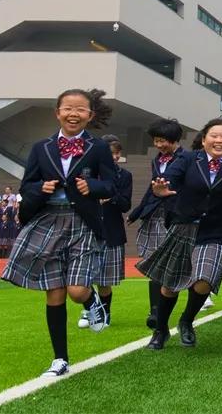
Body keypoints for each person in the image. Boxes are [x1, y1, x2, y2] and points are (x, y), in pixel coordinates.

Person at [1, 88, 116, 377]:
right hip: (48, 221)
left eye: (80, 109)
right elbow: (26, 186)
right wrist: (40, 188)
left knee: (76, 291)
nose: (73, 114)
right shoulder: (41, 147)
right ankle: (60, 359)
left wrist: (95, 188)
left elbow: (112, 184)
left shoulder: (99, 147)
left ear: (89, 115)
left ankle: (93, 303)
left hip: (83, 221)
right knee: (54, 293)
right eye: (67, 108)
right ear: (57, 112)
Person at [137, 118, 222, 351]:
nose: (218, 140)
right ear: (204, 140)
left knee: (204, 282)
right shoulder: (187, 159)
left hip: (215, 231)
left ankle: (186, 321)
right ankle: (161, 329)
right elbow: (171, 180)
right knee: (170, 284)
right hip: (183, 227)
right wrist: (162, 191)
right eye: (213, 136)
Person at [127, 118, 186, 330]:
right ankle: (155, 312)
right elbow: (151, 190)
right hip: (154, 217)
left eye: (164, 141)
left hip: (175, 217)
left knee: (169, 268)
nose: (160, 145)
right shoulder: (156, 160)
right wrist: (137, 212)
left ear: (175, 139)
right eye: (156, 140)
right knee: (153, 262)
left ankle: (168, 312)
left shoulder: (186, 158)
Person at [79, 136, 132, 329]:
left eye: (117, 153)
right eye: (110, 153)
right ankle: (89, 309)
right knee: (81, 276)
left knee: (105, 279)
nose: (114, 157)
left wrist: (110, 196)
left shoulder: (124, 176)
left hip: (112, 231)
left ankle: (105, 313)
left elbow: (126, 204)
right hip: (86, 230)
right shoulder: (87, 174)